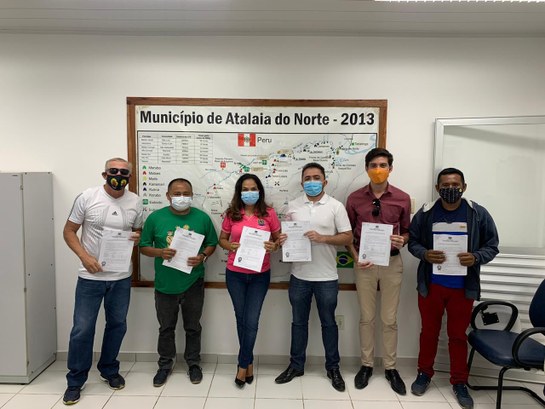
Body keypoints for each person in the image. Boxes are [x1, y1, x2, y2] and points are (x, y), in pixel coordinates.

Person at [408, 168, 499, 409]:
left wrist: (476, 257)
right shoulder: (426, 213)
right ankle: (424, 373)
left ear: (464, 187)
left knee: (458, 336)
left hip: (462, 288)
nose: (450, 189)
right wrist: (425, 254)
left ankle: (459, 381)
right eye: (445, 185)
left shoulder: (477, 213)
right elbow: (413, 242)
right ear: (437, 188)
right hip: (431, 286)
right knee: (429, 333)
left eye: (455, 185)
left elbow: (492, 245)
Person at [63, 158, 143, 405]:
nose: (119, 175)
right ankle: (75, 380)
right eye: (113, 171)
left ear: (129, 176)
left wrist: (136, 237)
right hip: (91, 277)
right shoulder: (88, 197)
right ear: (104, 174)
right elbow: (69, 231)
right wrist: (85, 257)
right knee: (82, 329)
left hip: (121, 277)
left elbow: (138, 231)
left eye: (124, 172)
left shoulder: (135, 201)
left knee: (117, 325)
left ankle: (109, 369)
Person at [275, 162, 353, 392]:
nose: (312, 182)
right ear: (301, 182)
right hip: (299, 275)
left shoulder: (336, 206)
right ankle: (296, 365)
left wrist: (323, 238)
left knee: (329, 323)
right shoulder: (293, 206)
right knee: (298, 323)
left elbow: (348, 237)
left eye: (316, 178)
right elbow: (285, 236)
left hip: (327, 277)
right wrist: (282, 240)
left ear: (325, 181)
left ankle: (333, 368)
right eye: (307, 178)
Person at [140, 178, 218, 387]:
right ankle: (165, 365)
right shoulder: (155, 218)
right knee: (166, 328)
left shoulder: (202, 218)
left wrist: (203, 256)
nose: (181, 197)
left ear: (192, 195)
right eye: (176, 193)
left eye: (186, 193)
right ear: (168, 196)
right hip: (165, 284)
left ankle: (193, 364)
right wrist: (160, 252)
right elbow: (143, 246)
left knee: (193, 327)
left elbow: (212, 243)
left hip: (193, 282)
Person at [345, 148, 411, 395]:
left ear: (390, 168)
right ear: (366, 168)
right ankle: (367, 365)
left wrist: (403, 240)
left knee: (389, 319)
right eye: (373, 165)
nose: (378, 170)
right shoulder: (354, 198)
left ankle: (391, 368)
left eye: (383, 165)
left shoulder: (402, 198)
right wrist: (355, 256)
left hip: (392, 263)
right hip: (365, 264)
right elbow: (347, 234)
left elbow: (407, 231)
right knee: (366, 317)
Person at [218, 174, 281, 388]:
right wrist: (229, 246)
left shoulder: (269, 213)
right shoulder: (231, 214)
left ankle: (242, 365)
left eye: (253, 188)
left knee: (251, 320)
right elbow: (222, 240)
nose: (249, 192)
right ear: (239, 192)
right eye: (245, 189)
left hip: (259, 275)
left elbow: (278, 240)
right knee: (241, 318)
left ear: (259, 191)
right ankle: (249, 363)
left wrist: (274, 246)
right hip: (235, 273)